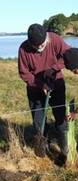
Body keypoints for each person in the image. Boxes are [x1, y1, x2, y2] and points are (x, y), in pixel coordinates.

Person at [18, 23, 70, 161]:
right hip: (35, 89)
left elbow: (68, 55)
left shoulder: (55, 39)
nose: (40, 48)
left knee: (60, 115)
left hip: (56, 85)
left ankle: (65, 146)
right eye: (37, 46)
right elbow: (24, 73)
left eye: (42, 44)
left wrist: (54, 68)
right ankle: (44, 146)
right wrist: (41, 85)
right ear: (30, 43)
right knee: (38, 120)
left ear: (46, 37)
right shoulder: (24, 49)